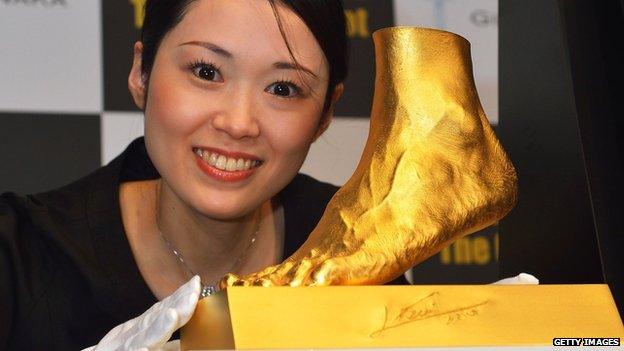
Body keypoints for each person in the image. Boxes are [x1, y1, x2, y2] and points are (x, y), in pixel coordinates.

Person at [0, 0, 409, 349]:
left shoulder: (358, 257)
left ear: (325, 114)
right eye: (207, 72)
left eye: (283, 89)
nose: (238, 122)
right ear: (141, 72)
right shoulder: (20, 259)